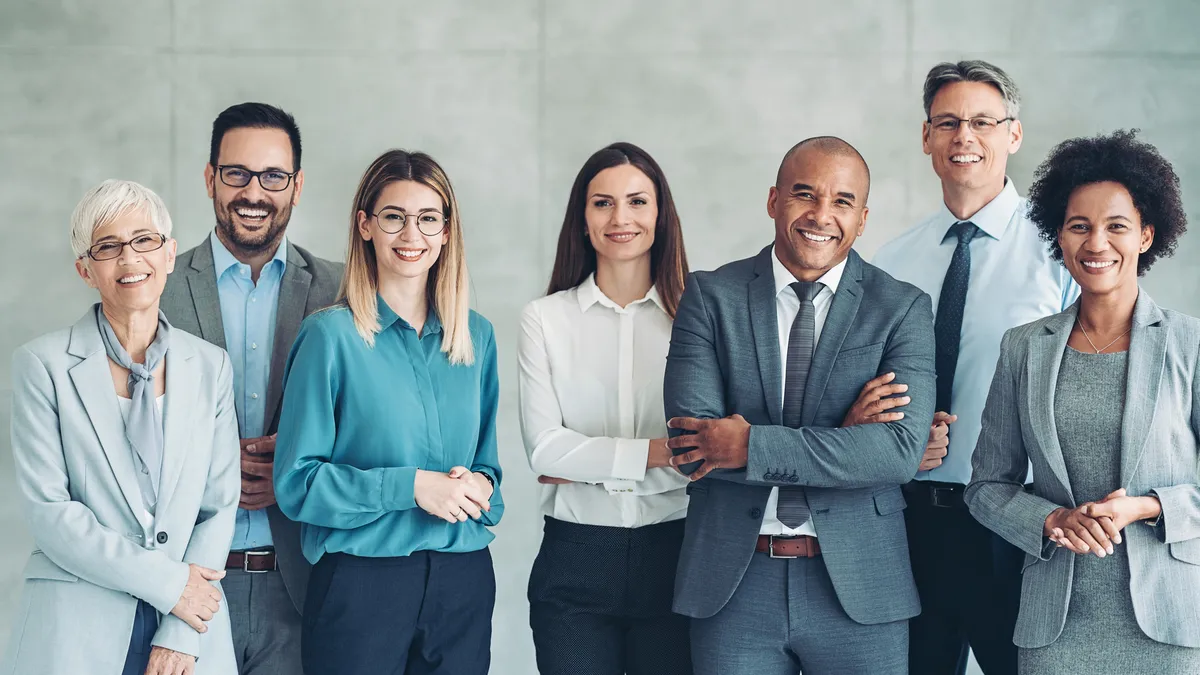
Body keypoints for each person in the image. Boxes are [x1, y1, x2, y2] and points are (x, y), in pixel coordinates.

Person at [663, 136, 936, 674]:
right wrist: (844, 432)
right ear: (773, 200)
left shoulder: (901, 308)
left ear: (861, 219)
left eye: (842, 202)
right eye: (804, 195)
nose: (821, 215)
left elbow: (898, 455)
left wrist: (750, 444)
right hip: (734, 587)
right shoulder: (709, 297)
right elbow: (695, 450)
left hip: (862, 589)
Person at [966, 129, 1200, 673]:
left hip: (1170, 626)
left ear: (1145, 235)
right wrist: (1051, 520)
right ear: (1059, 238)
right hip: (1056, 627)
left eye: (1116, 226)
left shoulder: (1190, 344)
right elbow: (985, 488)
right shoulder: (1024, 347)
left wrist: (1147, 507)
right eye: (1079, 227)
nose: (1097, 243)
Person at [872, 60, 1079, 675]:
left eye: (984, 121)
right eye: (949, 122)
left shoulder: (1061, 254)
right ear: (927, 137)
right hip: (909, 520)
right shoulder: (894, 259)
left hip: (1014, 525)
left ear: (1013, 135)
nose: (965, 136)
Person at [273, 150, 504, 675]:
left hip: (462, 580)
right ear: (366, 225)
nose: (411, 234)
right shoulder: (329, 336)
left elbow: (490, 467)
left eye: (427, 219)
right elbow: (296, 483)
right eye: (394, 217)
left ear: (446, 232)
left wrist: (480, 487)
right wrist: (412, 486)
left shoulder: (476, 338)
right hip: (361, 583)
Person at [3, 180, 239, 675]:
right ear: (85, 270)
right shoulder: (40, 366)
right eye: (107, 247)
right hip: (73, 634)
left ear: (170, 254)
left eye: (145, 240)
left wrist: (181, 629)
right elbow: (52, 514)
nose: (130, 259)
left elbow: (218, 507)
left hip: (188, 631)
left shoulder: (210, 366)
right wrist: (169, 585)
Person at [161, 102, 342, 674]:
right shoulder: (156, 288)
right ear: (210, 177)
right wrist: (214, 470)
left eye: (273, 177)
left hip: (305, 586)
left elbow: (378, 425)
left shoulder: (344, 291)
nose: (253, 193)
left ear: (297, 185)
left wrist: (292, 470)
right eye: (236, 173)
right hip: (183, 587)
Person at [519, 142, 692, 674]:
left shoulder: (698, 316)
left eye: (638, 201)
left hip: (678, 554)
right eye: (603, 203)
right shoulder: (544, 319)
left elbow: (713, 449)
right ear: (583, 218)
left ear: (660, 216)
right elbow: (545, 451)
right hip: (574, 561)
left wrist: (589, 460)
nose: (621, 218)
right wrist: (663, 454)